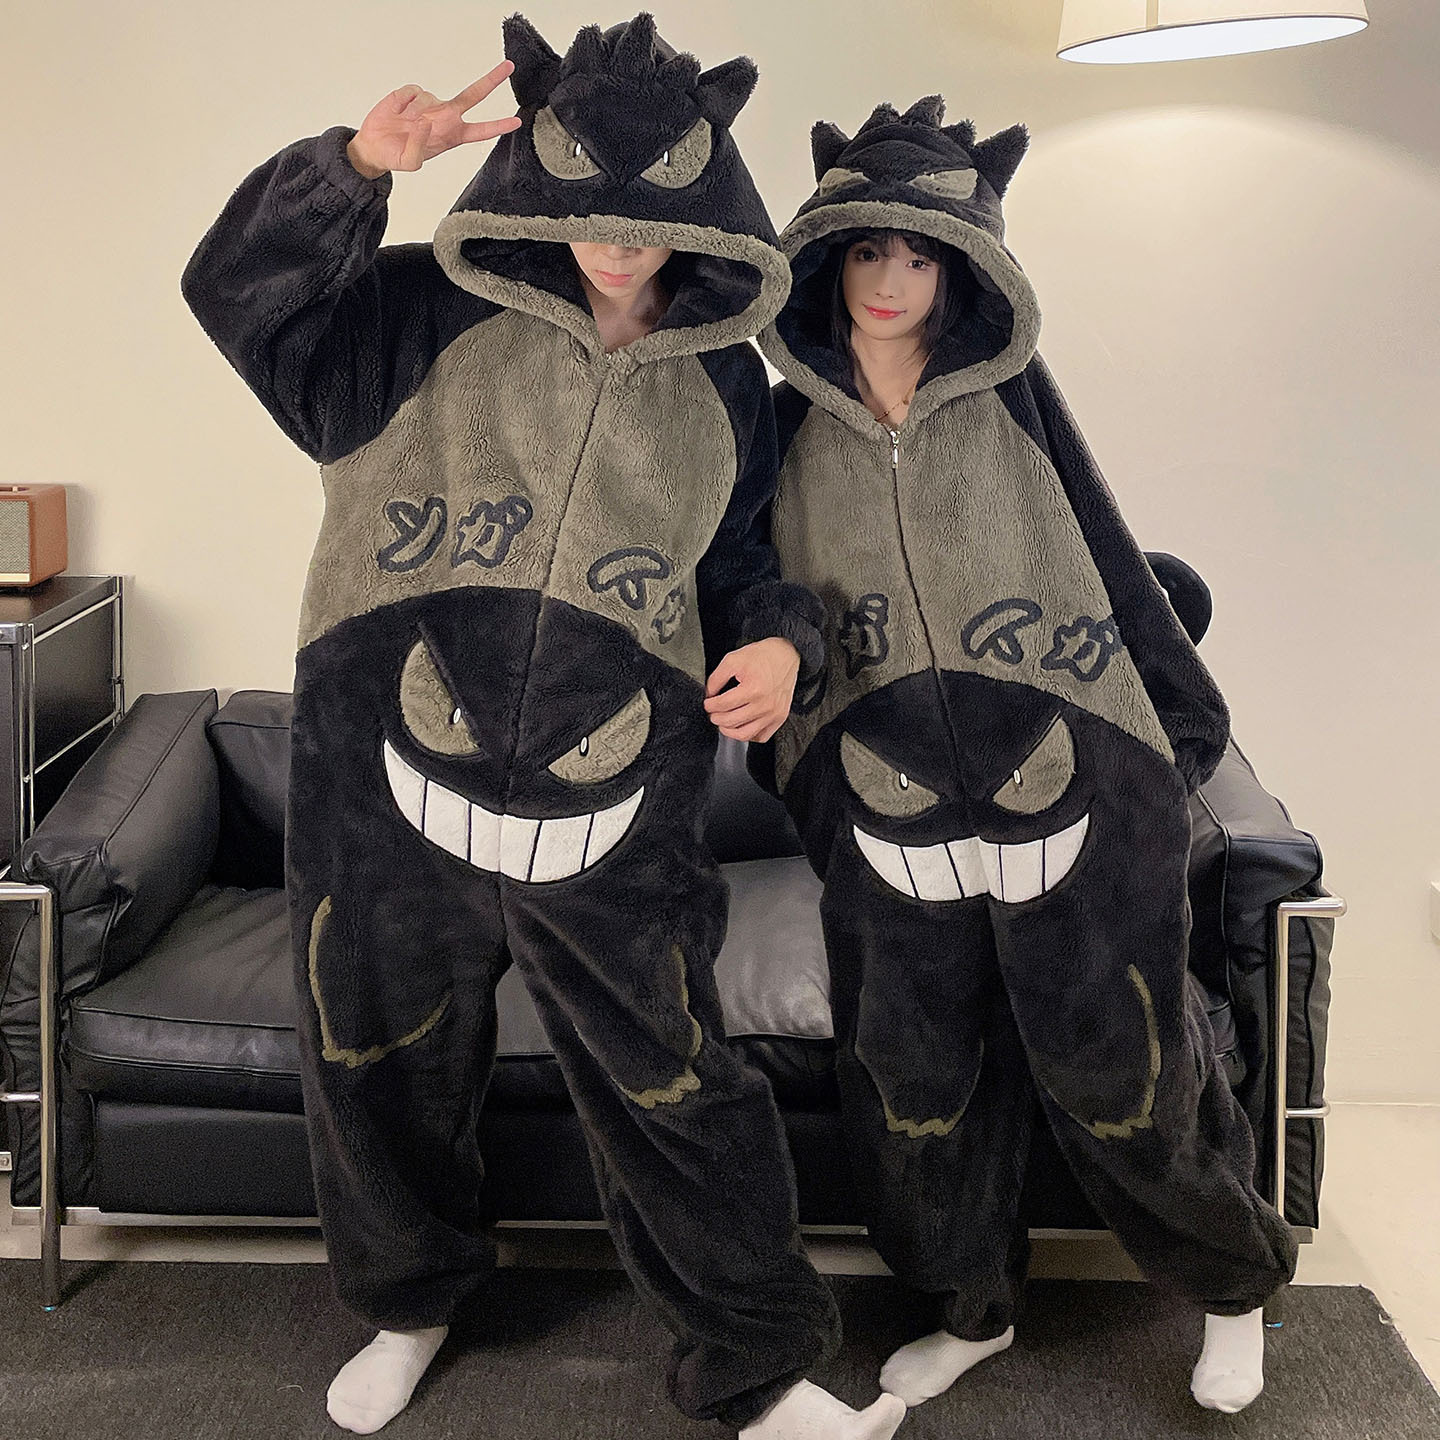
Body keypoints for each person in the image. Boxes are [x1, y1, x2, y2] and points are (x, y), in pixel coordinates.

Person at [181, 15, 908, 1440]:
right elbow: (238, 297)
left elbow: (745, 568)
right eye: (589, 203)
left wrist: (778, 643)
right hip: (383, 773)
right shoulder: (410, 314)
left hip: (618, 795)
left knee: (673, 1075)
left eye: (650, 212)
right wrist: (352, 170)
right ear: (537, 171)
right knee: (377, 1049)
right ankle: (410, 1302)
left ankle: (757, 1364)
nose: (619, 242)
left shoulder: (725, 382)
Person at [753, 94, 1298, 1417]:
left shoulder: (1012, 401)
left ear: (966, 266)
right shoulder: (780, 428)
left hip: (1076, 784)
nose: (890, 281)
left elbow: (1108, 555)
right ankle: (972, 1308)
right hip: (886, 809)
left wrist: (1179, 730)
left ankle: (1232, 1286)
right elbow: (751, 597)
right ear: (826, 257)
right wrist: (796, 747)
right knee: (915, 1081)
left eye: (920, 254)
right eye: (867, 251)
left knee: (1123, 1065)